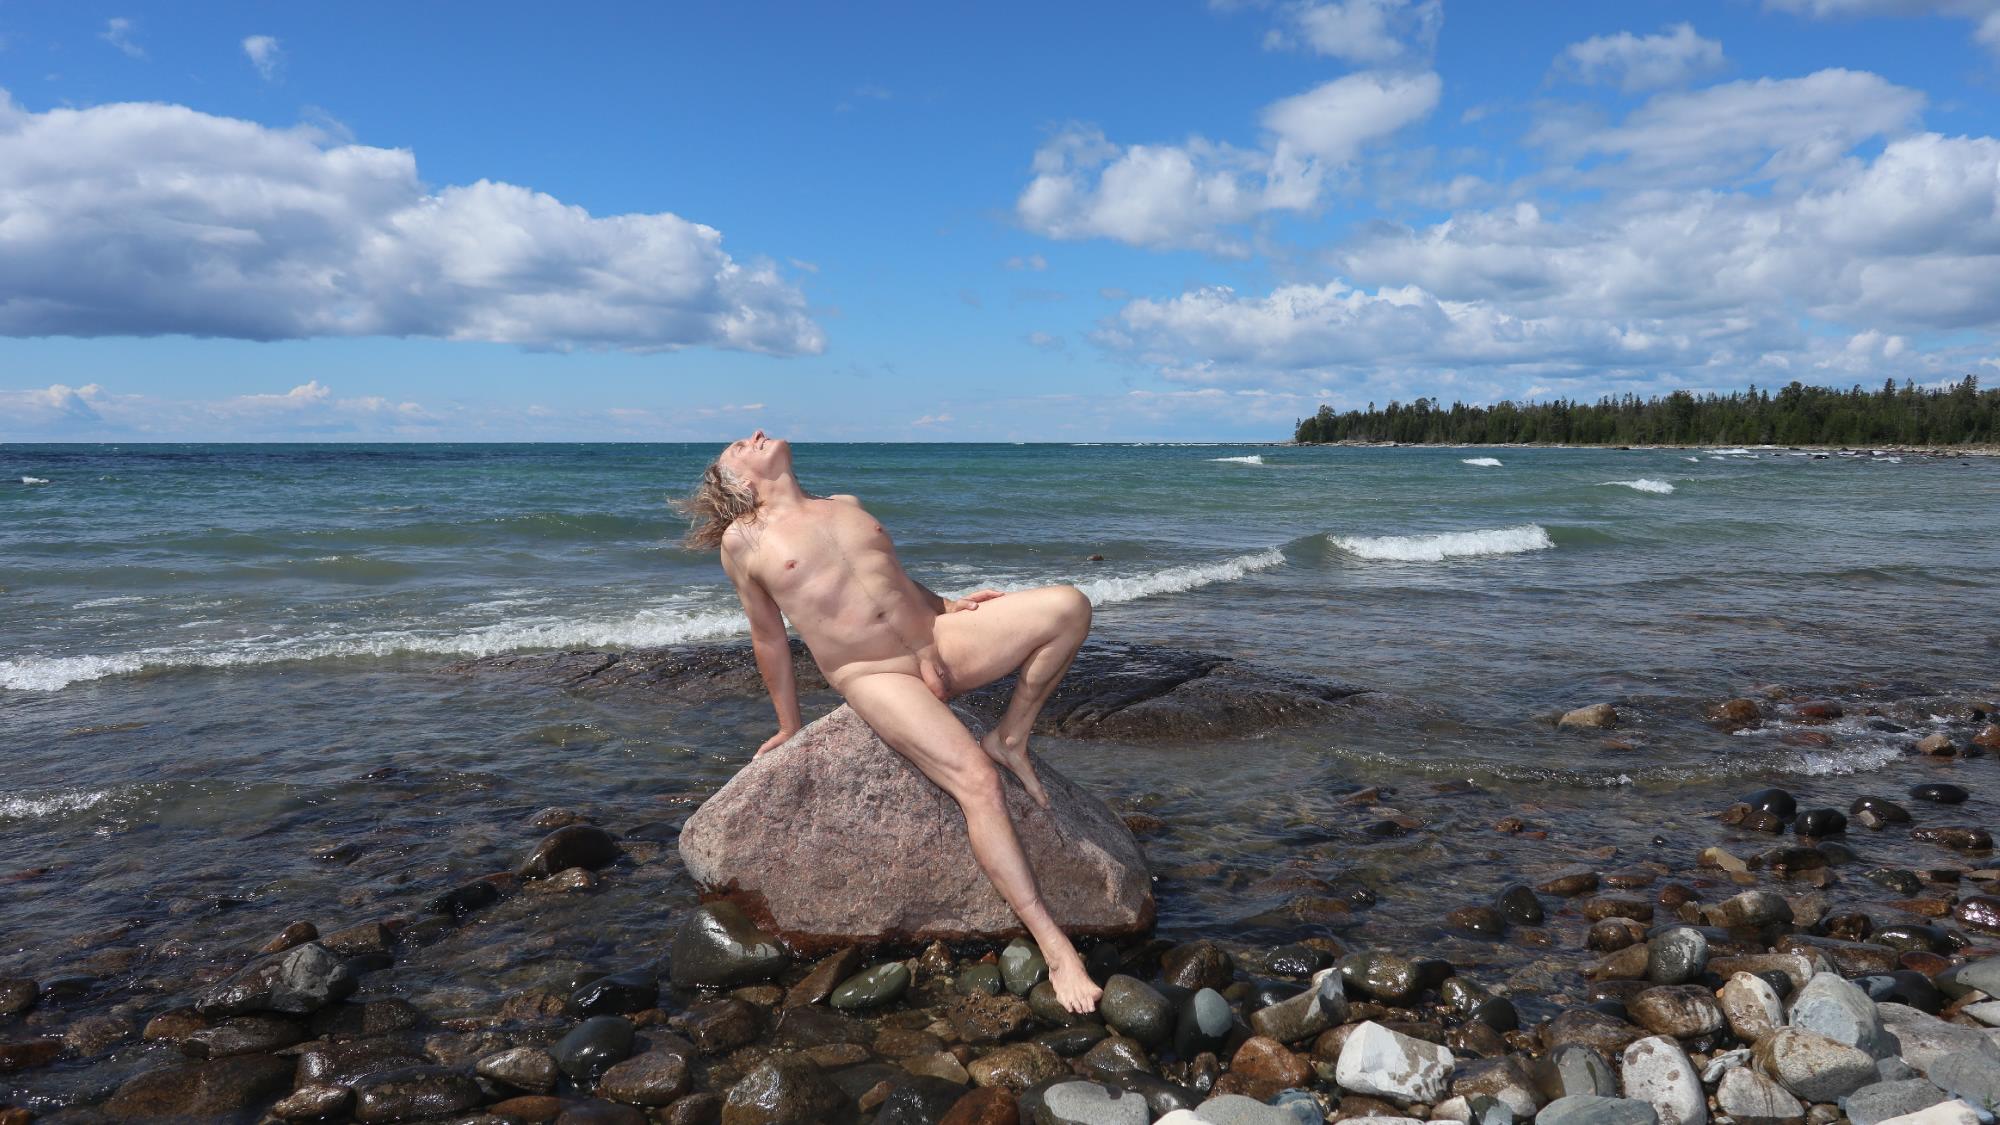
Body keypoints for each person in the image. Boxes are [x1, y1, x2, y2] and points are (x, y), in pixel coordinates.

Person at [677, 430, 1103, 1013]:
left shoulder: (844, 505)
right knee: (977, 783)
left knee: (1069, 605)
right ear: (737, 483)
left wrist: (947, 604)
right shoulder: (742, 541)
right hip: (874, 673)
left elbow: (886, 576)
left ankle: (1010, 737)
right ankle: (1056, 949)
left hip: (940, 638)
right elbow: (768, 638)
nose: (752, 436)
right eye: (736, 447)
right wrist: (788, 724)